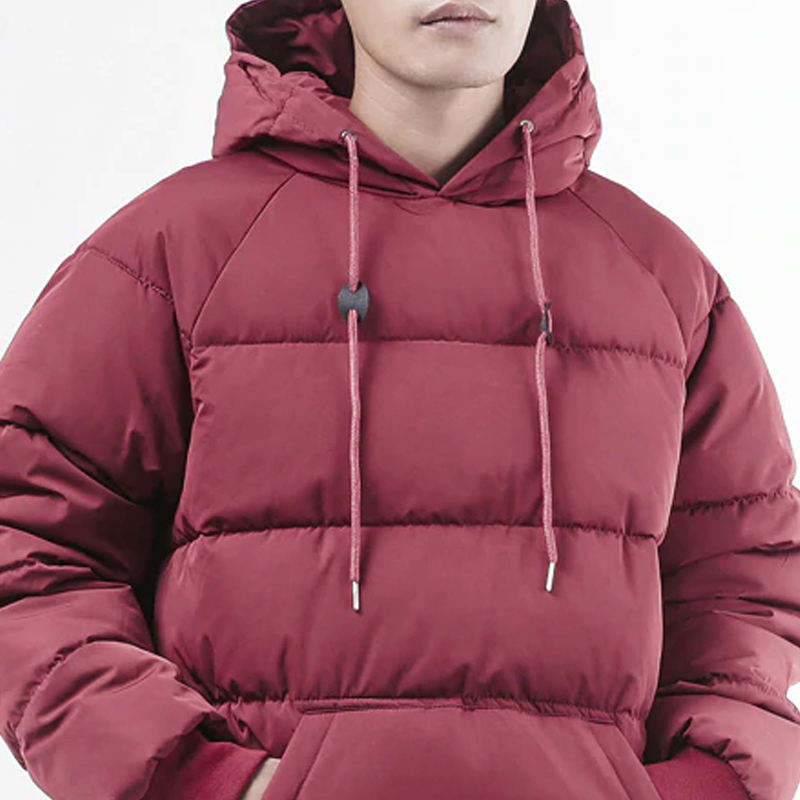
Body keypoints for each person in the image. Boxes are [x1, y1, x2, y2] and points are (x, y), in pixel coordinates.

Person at [0, 0, 798, 798]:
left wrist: (705, 783)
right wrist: (205, 779)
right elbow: (28, 547)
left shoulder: (660, 273)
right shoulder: (173, 250)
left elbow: (744, 578)